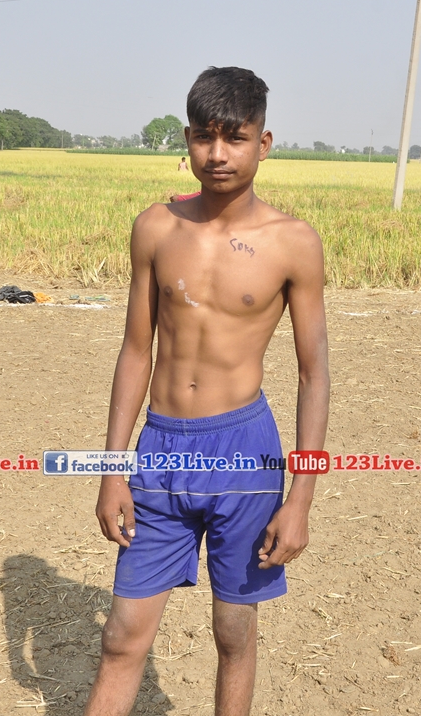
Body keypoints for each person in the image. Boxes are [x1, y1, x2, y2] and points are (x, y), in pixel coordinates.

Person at [84, 66, 330, 716]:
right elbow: (135, 351)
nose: (217, 154)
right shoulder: (155, 228)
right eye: (203, 136)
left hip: (244, 451)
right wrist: (112, 469)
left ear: (263, 143)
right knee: (122, 635)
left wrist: (301, 497)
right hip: (161, 448)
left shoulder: (294, 243)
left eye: (235, 138)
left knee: (233, 632)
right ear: (187, 139)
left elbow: (314, 373)